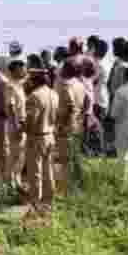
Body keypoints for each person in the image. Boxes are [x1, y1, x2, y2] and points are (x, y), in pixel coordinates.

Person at [23, 70, 59, 209]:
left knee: (35, 173)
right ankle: (48, 201)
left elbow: (32, 120)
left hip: (37, 137)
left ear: (34, 81)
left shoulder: (34, 96)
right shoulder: (53, 93)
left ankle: (35, 204)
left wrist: (22, 127)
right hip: (50, 135)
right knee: (48, 170)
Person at [55, 62, 87, 194]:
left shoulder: (65, 85)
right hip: (77, 124)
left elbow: (70, 106)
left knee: (66, 160)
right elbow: (85, 103)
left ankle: (69, 190)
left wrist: (62, 124)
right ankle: (79, 186)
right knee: (76, 157)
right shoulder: (80, 84)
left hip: (67, 126)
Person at [3, 60, 28, 193]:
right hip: (15, 124)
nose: (25, 71)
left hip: (20, 124)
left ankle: (16, 181)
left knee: (20, 154)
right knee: (15, 154)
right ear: (15, 70)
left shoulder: (18, 84)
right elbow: (10, 107)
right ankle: (10, 183)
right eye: (22, 69)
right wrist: (16, 126)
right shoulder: (11, 86)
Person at [93, 40, 113, 155]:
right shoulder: (106, 63)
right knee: (100, 126)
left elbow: (92, 81)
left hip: (97, 98)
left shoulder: (98, 64)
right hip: (103, 97)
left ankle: (100, 150)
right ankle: (102, 149)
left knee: (97, 126)